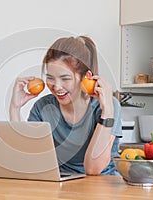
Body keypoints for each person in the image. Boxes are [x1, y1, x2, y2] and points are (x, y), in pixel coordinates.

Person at [9, 36, 122, 175]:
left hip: (101, 186)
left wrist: (108, 113)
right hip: (60, 186)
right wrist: (15, 107)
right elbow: (25, 159)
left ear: (86, 77)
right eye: (50, 77)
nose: (56, 87)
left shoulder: (107, 107)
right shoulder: (43, 107)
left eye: (65, 78)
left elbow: (92, 169)